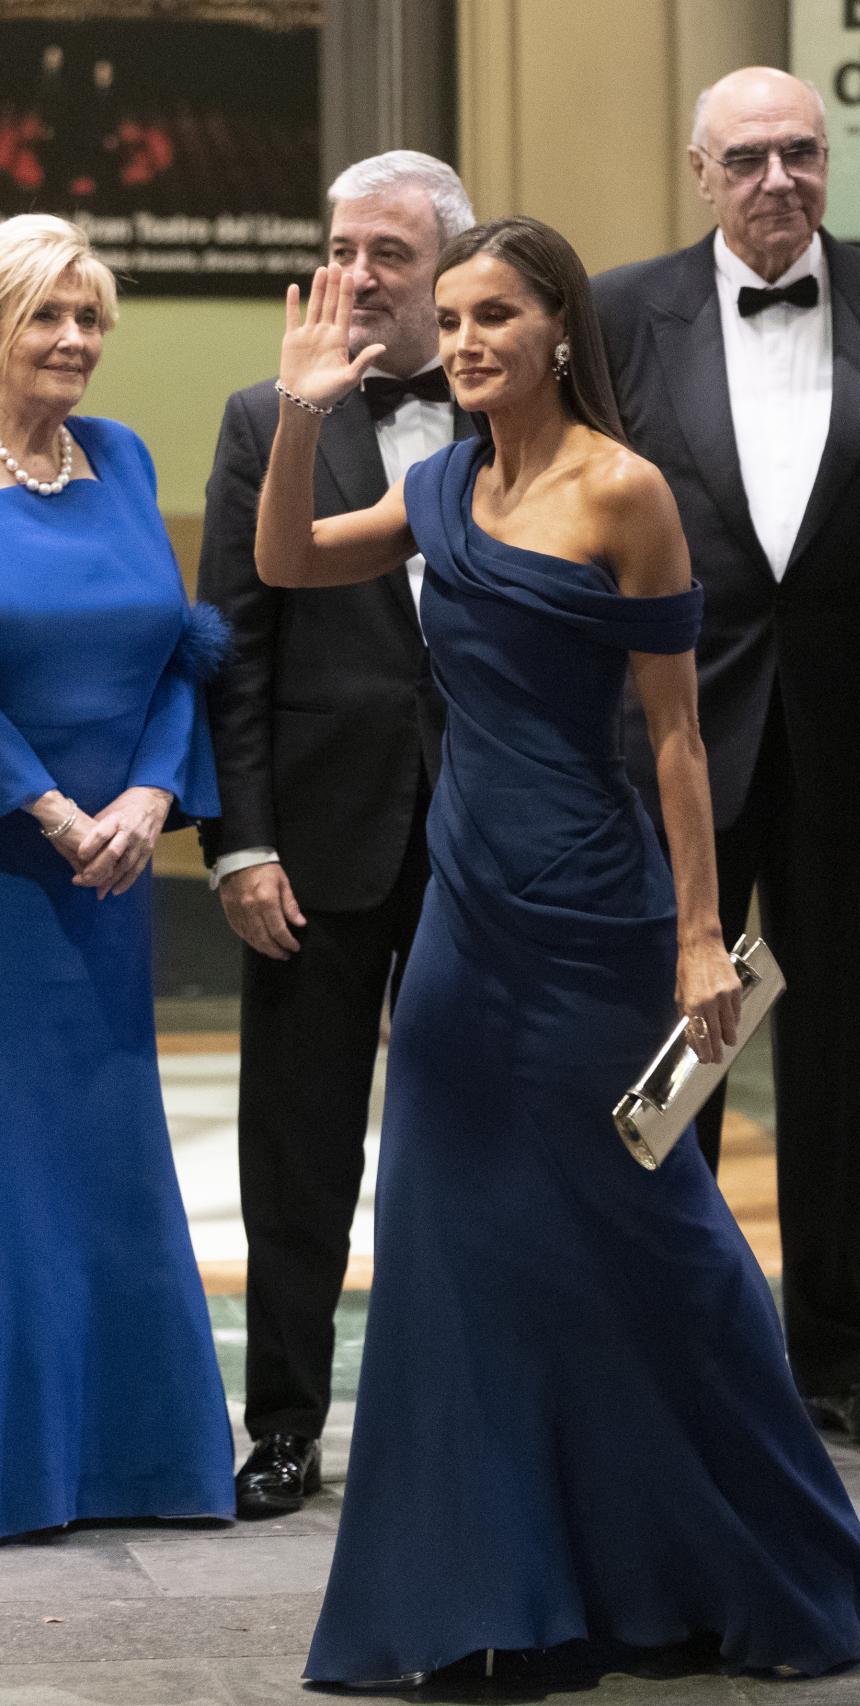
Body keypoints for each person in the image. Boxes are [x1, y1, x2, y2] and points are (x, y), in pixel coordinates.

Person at [254, 220, 860, 1684]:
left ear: (559, 330)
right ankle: (486, 1592)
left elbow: (678, 737)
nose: (467, 342)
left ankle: (768, 1559)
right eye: (452, 320)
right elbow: (286, 557)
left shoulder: (626, 491)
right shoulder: (440, 486)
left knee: (658, 1241)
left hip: (601, 920)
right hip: (464, 917)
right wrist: (302, 410)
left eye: (495, 316)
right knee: (454, 1244)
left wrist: (700, 938)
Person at [593, 66, 860, 1453]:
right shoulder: (623, 312)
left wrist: (848, 632)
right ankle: (668, 1346)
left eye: (800, 152)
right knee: (676, 1046)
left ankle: (839, 1361)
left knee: (842, 1053)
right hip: (677, 739)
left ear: (827, 162)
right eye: (746, 158)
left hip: (850, 739)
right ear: (700, 172)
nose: (777, 181)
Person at [197, 151, 476, 1517]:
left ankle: (464, 1417)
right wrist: (240, 842)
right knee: (297, 1149)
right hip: (316, 835)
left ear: (449, 271)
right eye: (342, 249)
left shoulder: (511, 407)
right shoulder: (265, 417)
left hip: (490, 831)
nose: (357, 276)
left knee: (473, 1135)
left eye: (389, 254)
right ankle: (286, 1425)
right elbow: (233, 650)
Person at [0, 213, 234, 1540]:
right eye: (48, 314)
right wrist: (46, 805)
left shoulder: (126, 456)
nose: (77, 339)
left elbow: (181, 648)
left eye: (91, 317)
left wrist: (149, 797)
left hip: (114, 873)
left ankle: (138, 1461)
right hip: (11, 865)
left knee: (106, 1149)